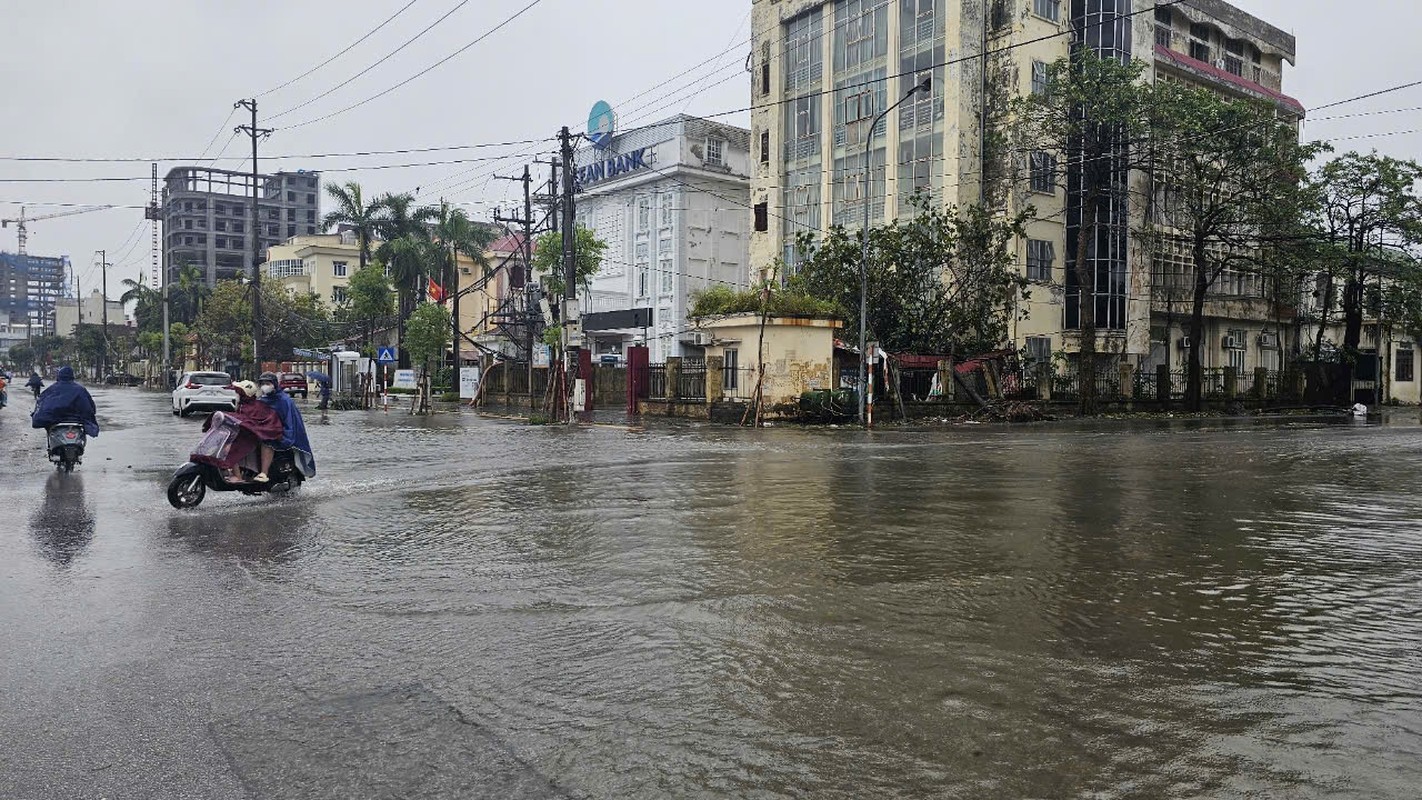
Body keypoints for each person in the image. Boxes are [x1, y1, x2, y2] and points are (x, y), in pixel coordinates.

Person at [196, 380, 284, 482]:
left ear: (244, 394)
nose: (236, 395)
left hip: (254, 436)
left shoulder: (255, 407)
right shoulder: (243, 405)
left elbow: (251, 423)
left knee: (229, 449)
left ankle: (237, 476)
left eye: (239, 393)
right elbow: (238, 420)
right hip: (244, 434)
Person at [255, 371, 315, 482]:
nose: (265, 386)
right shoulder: (261, 400)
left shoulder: (284, 401)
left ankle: (264, 473)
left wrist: (282, 434)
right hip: (264, 431)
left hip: (279, 433)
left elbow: (290, 421)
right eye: (263, 383)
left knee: (267, 442)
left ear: (274, 384)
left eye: (267, 383)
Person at [31, 366, 99, 438]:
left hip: (55, 421)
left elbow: (41, 404)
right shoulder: (80, 389)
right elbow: (91, 408)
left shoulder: (51, 389)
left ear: (59, 376)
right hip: (76, 422)